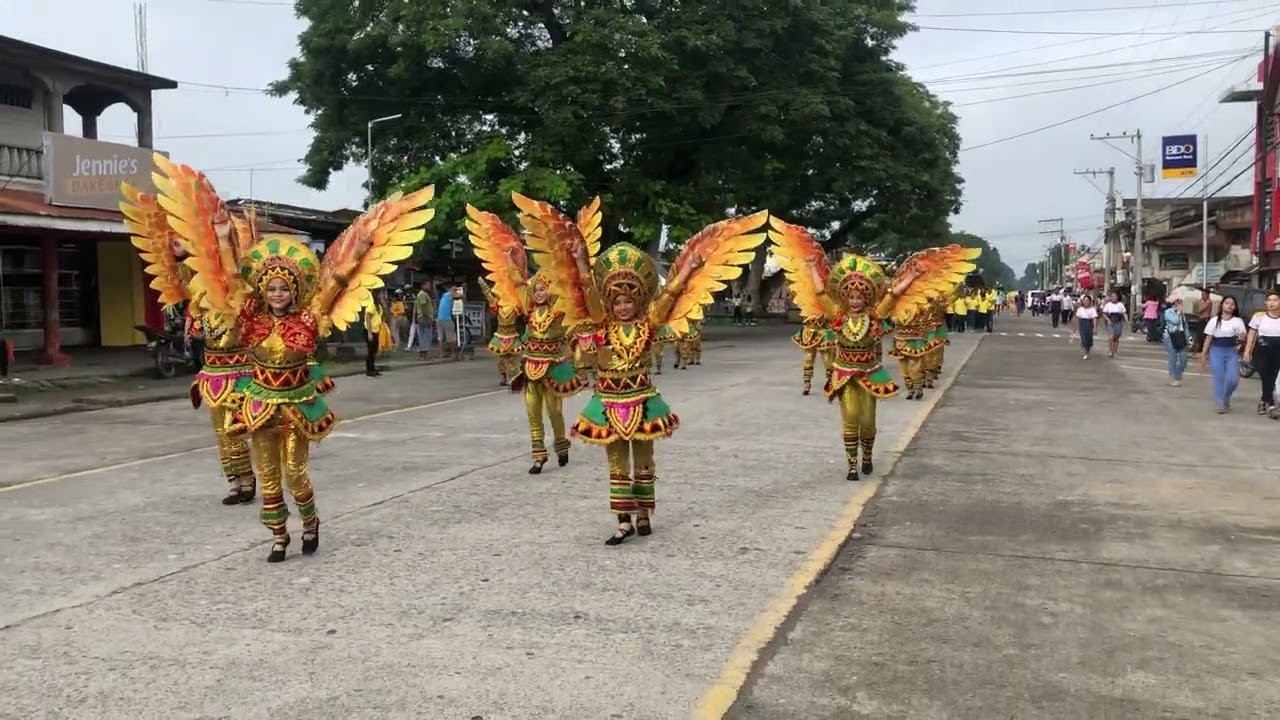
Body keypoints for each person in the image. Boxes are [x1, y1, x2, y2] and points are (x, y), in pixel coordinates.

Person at [151, 154, 436, 562]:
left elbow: (335, 280)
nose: (278, 294)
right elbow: (232, 282)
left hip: (297, 406)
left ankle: (310, 521)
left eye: (284, 288)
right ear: (264, 292)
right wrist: (221, 236)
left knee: (295, 473)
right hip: (261, 403)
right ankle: (278, 537)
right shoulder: (251, 320)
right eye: (272, 289)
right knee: (268, 477)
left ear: (294, 290)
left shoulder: (309, 317)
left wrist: (360, 245)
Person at [536, 201, 767, 545]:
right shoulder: (602, 324)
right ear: (610, 305)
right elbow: (586, 287)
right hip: (608, 400)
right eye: (617, 302)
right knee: (616, 464)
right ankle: (623, 521)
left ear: (638, 302)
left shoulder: (649, 323)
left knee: (643, 462)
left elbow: (672, 293)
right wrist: (581, 260)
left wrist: (690, 266)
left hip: (642, 399)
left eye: (629, 301)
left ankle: (644, 513)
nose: (623, 306)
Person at [771, 217, 978, 482]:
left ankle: (867, 457)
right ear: (845, 298)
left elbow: (892, 296)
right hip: (845, 374)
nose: (855, 301)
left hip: (869, 373)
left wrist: (913, 276)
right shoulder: (838, 315)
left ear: (866, 298)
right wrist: (812, 267)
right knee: (850, 419)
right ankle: (852, 465)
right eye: (851, 297)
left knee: (867, 420)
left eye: (859, 297)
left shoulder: (875, 316)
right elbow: (821, 293)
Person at [122, 182, 257, 506]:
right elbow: (183, 273)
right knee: (220, 432)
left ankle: (250, 479)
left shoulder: (232, 293)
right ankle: (235, 483)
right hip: (212, 371)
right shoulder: (198, 297)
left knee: (235, 428)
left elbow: (231, 270)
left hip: (239, 372)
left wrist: (222, 238)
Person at [1199, 296, 1246, 414]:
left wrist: (1241, 337)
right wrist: (1204, 354)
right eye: (1227, 303)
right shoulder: (1214, 320)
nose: (1229, 306)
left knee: (1233, 379)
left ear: (1235, 307)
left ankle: (1226, 397)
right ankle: (1219, 403)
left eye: (1232, 304)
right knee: (1219, 378)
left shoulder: (1238, 321)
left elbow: (1243, 338)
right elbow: (1208, 338)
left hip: (1231, 352)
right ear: (1222, 305)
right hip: (1216, 351)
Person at [476, 276, 522, 386]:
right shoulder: (498, 306)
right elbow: (490, 298)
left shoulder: (515, 306)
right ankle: (503, 377)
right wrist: (484, 288)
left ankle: (514, 377)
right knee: (501, 360)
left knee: (512, 361)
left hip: (512, 336)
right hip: (500, 335)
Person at [1242, 291, 1280, 418]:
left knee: (1273, 377)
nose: (1271, 303)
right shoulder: (1259, 316)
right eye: (1269, 300)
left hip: (1277, 350)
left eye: (1275, 300)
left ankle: (1265, 401)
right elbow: (1251, 335)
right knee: (1264, 375)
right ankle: (1270, 401)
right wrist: (1247, 352)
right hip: (1262, 350)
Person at [792, 313, 837, 396]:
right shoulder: (806, 302)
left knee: (828, 360)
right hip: (809, 332)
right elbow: (804, 314)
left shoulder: (828, 302)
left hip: (825, 332)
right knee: (808, 359)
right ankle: (807, 385)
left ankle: (831, 384)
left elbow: (833, 314)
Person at [1161, 296, 1190, 386]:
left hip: (1181, 337)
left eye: (1181, 303)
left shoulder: (1182, 313)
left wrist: (1188, 336)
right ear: (1174, 303)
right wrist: (1178, 312)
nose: (1181, 305)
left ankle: (1178, 375)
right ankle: (1173, 378)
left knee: (1184, 359)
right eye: (1179, 303)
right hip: (1171, 337)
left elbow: (1185, 325)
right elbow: (1175, 321)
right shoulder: (1168, 312)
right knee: (1173, 359)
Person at [1101, 291, 1128, 358]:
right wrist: (1108, 320)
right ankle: (1110, 351)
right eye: (1112, 296)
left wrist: (1127, 321)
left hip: (1118, 322)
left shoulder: (1120, 304)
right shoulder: (1108, 305)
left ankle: (1115, 352)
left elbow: (1124, 313)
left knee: (1116, 338)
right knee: (1111, 337)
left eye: (1115, 296)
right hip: (1111, 322)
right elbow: (1104, 314)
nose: (1113, 298)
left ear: (1118, 297)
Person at [363, 293, 385, 377]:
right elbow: (368, 318)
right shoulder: (371, 305)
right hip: (370, 330)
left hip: (376, 330)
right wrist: (369, 332)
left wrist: (384, 304)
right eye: (381, 296)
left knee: (374, 350)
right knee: (370, 351)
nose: (382, 297)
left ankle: (373, 368)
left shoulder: (379, 306)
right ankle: (369, 370)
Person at [1071, 293, 1098, 360]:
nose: (1086, 302)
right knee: (1084, 338)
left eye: (1087, 300)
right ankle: (1086, 352)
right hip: (1082, 324)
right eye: (1084, 300)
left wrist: (1094, 328)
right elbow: (1077, 318)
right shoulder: (1080, 309)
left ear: (1090, 301)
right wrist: (1076, 328)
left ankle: (1087, 350)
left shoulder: (1092, 309)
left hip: (1089, 324)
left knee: (1089, 339)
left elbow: (1094, 319)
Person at [414, 280, 435, 358]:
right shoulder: (422, 294)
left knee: (423, 334)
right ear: (423, 286)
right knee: (425, 335)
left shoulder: (423, 294)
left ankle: (423, 352)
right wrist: (428, 316)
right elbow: (423, 306)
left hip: (423, 316)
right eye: (428, 285)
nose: (429, 287)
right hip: (424, 317)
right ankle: (423, 352)